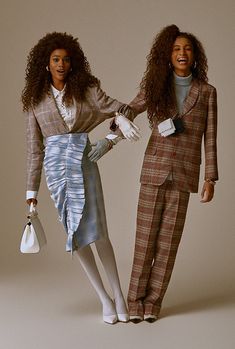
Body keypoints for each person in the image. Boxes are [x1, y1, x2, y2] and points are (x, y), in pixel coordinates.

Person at [22, 32, 140, 324]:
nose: (61, 64)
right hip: (56, 171)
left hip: (85, 163)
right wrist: (30, 192)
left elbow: (122, 109)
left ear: (72, 63)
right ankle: (104, 298)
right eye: (55, 59)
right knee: (77, 236)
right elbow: (35, 150)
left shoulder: (87, 89)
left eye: (65, 59)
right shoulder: (35, 101)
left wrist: (117, 126)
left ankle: (120, 296)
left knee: (98, 232)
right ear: (46, 64)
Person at [104, 24, 218, 323]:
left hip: (184, 174)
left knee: (168, 244)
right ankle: (134, 302)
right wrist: (119, 121)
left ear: (195, 57)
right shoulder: (156, 86)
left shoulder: (207, 92)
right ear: (168, 55)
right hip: (154, 170)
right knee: (145, 240)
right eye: (177, 49)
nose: (182, 53)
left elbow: (211, 137)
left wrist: (210, 177)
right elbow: (131, 108)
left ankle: (153, 304)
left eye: (188, 49)